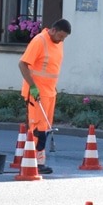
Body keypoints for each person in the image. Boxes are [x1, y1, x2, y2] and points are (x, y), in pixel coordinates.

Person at [18, 18, 71, 175]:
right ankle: (33, 162)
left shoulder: (58, 44)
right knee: (36, 129)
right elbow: (22, 64)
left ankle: (38, 162)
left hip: (49, 92)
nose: (61, 40)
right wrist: (33, 87)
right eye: (60, 36)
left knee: (45, 129)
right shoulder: (39, 41)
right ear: (53, 30)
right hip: (36, 93)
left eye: (64, 38)